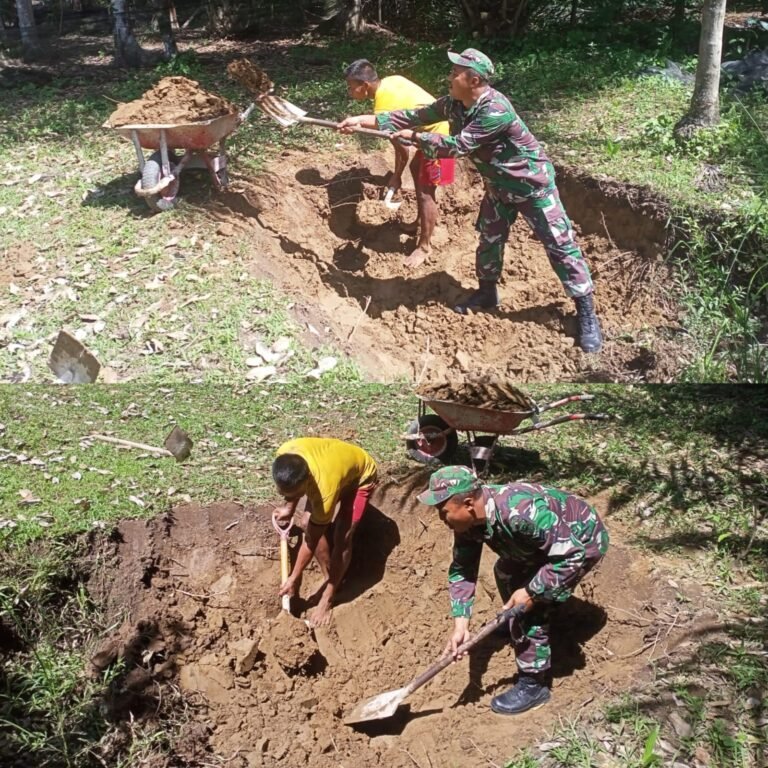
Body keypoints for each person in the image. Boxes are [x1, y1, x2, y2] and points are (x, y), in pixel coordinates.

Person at [338, 48, 603, 353]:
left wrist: (413, 137)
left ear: (473, 79)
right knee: (489, 239)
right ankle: (487, 293)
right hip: (498, 187)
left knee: (559, 245)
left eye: (455, 73)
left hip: (531, 186)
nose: (450, 77)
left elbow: (456, 146)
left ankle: (585, 313)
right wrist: (364, 120)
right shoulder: (455, 103)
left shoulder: (495, 110)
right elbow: (414, 115)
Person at [417, 465, 609, 715]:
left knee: (527, 610)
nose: (441, 519)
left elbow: (572, 555)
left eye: (442, 511)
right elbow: (463, 570)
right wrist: (461, 625)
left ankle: (534, 684)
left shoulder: (520, 513)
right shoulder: (470, 522)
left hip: (581, 541)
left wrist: (530, 592)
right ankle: (521, 623)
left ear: (467, 503)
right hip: (539, 545)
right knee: (505, 571)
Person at [343, 59, 456, 269]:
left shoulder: (383, 106)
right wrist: (398, 174)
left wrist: (396, 176)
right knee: (416, 171)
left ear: (364, 85)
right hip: (439, 132)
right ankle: (419, 223)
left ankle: (424, 246)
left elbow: (401, 148)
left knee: (425, 192)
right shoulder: (392, 80)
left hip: (439, 141)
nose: (350, 92)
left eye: (351, 87)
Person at [272, 436, 378, 627]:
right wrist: (289, 507)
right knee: (307, 523)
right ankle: (331, 575)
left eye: (296, 494)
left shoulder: (324, 491)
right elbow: (292, 488)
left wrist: (293, 578)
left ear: (307, 482)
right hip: (334, 464)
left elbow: (311, 541)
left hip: (360, 477)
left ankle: (329, 596)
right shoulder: (285, 452)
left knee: (343, 535)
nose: (290, 497)